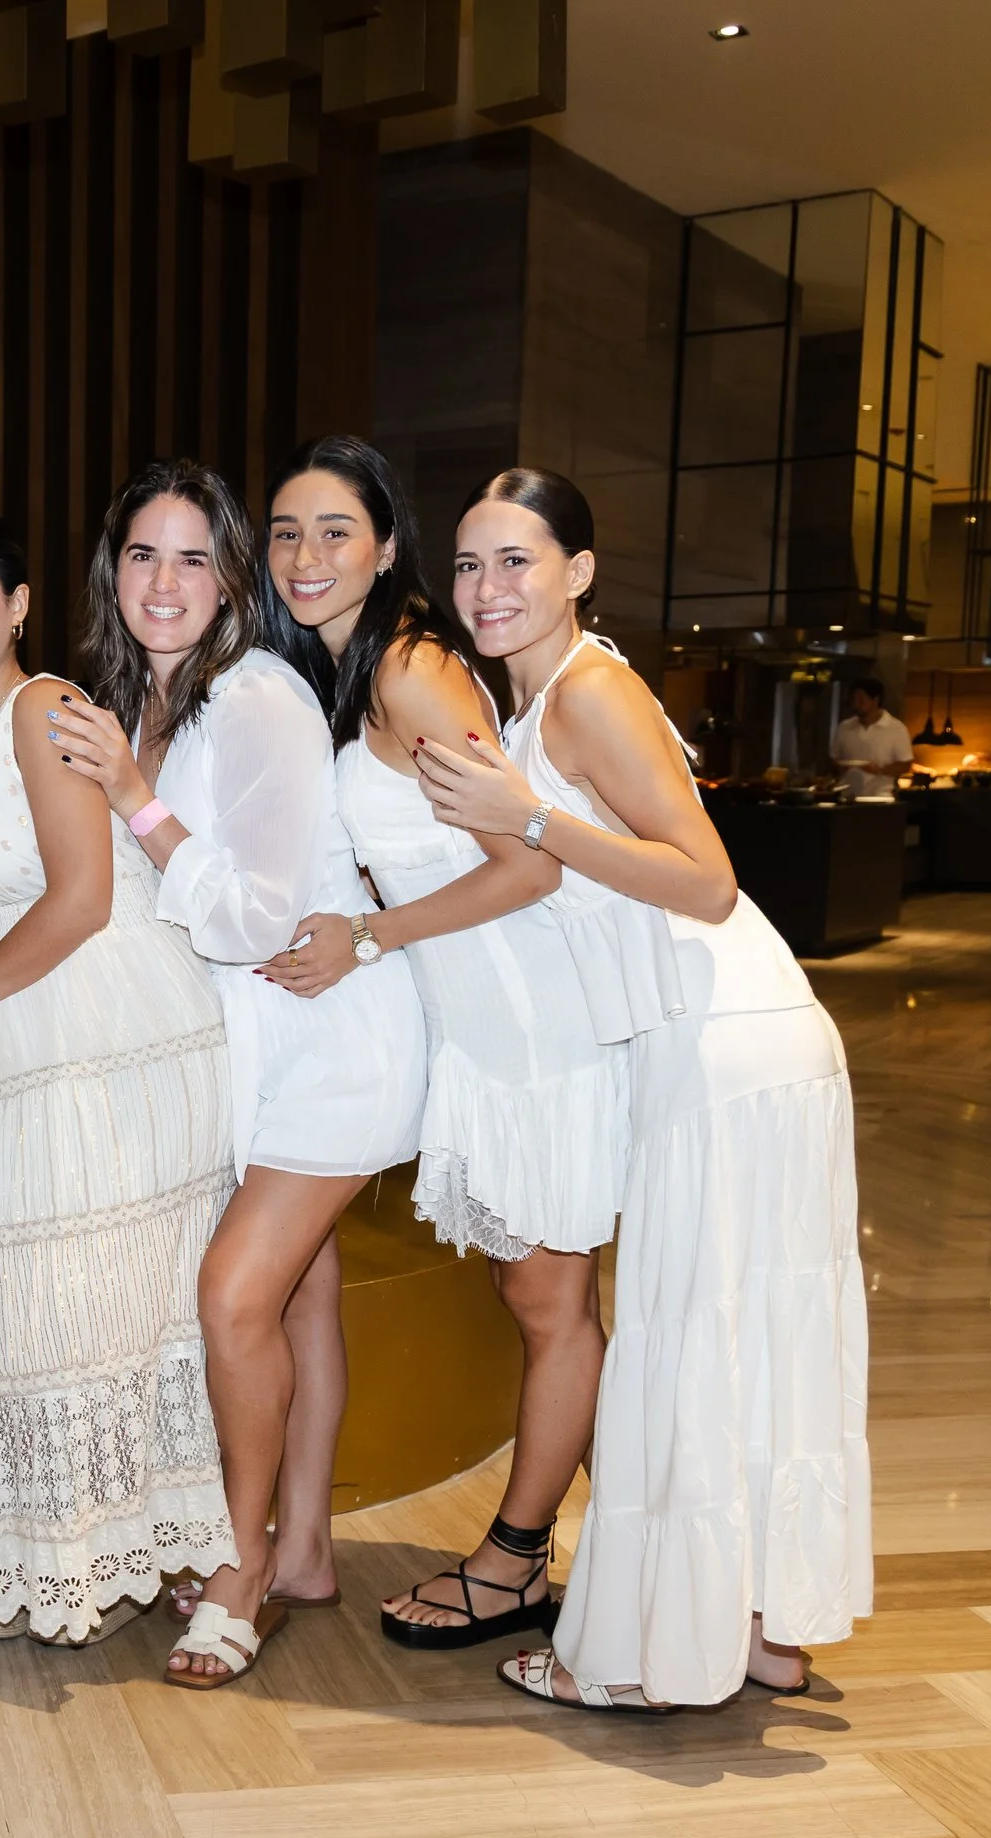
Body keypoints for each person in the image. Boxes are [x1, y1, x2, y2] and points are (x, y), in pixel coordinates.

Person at [416, 466, 871, 1710]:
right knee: (749, 1341)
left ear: (578, 572)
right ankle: (761, 1626)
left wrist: (533, 820)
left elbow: (707, 880)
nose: (486, 587)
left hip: (720, 1039)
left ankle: (642, 1658)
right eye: (467, 563)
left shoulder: (587, 693)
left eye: (516, 560)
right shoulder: (542, 700)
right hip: (742, 1042)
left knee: (687, 1342)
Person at [47, 459, 427, 1690]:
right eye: (142, 556)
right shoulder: (138, 702)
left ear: (230, 579)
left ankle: (240, 1562)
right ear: (112, 571)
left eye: (193, 558)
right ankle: (306, 1544)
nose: (165, 583)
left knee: (231, 1295)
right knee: (298, 1298)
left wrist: (135, 799)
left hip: (324, 1038)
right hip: (239, 1051)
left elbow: (263, 913)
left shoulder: (254, 695)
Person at [255, 437, 625, 1654]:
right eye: (286, 532)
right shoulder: (349, 671)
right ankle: (643, 1550)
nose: (306, 557)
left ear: (385, 545)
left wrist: (368, 934)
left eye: (334, 532)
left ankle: (517, 1561)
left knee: (550, 1305)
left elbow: (526, 859)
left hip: (527, 1015)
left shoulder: (411, 670)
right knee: (545, 1299)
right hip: (477, 1016)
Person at [0, 508, 237, 1646]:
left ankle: (160, 1545)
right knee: (59, 1318)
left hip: (112, 1039)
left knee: (89, 1312)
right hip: (40, 1050)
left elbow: (82, 896)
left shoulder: (40, 709)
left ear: (19, 604)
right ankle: (114, 1551)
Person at [831, 679, 913, 799]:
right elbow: (834, 759)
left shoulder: (896, 729)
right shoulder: (845, 727)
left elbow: (905, 765)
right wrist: (841, 766)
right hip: (846, 797)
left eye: (861, 700)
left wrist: (879, 770)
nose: (856, 705)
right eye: (854, 700)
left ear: (875, 700)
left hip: (880, 797)